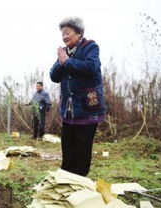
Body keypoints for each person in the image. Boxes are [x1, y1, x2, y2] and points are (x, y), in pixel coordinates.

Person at [50, 17, 106, 176]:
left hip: (87, 108)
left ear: (79, 32)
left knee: (82, 148)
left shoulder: (90, 47)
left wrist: (67, 62)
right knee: (67, 147)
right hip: (69, 110)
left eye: (67, 32)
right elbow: (53, 76)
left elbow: (90, 67)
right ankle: (66, 179)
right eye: (62, 34)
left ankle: (80, 182)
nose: (64, 36)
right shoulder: (64, 53)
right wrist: (61, 62)